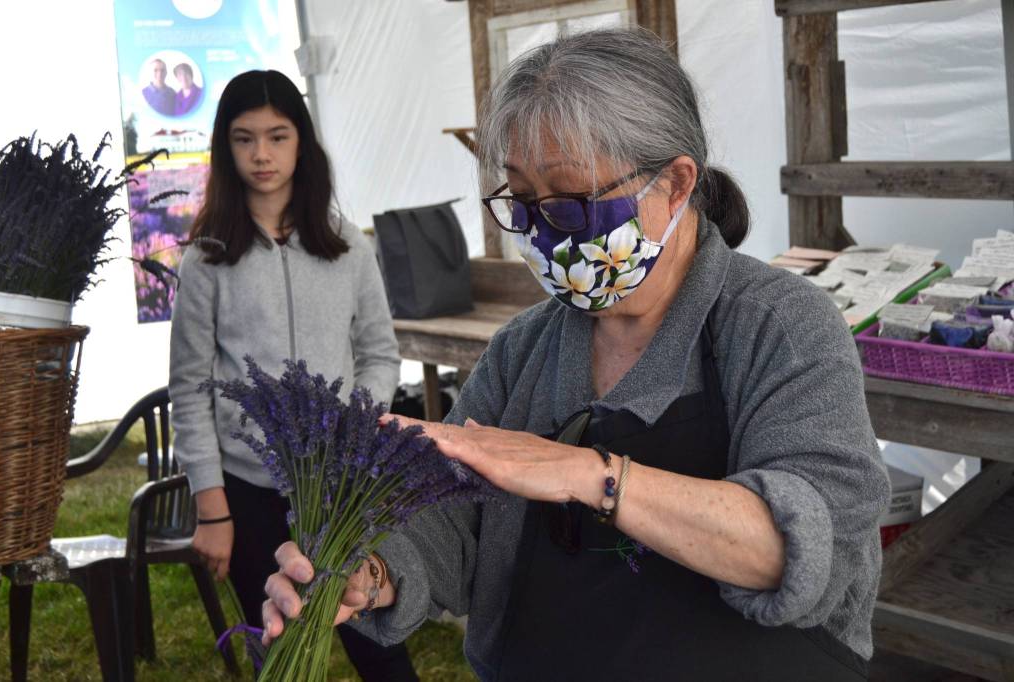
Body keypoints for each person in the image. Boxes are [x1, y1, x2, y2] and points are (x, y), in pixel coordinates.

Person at [263, 29, 891, 681]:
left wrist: (592, 474)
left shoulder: (779, 324)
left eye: (569, 205)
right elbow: (452, 520)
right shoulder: (523, 349)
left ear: (675, 184)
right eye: (523, 204)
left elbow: (806, 544)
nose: (541, 235)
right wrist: (374, 571)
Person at [168, 69, 418, 680]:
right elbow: (191, 387)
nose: (261, 155)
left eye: (277, 136)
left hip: (338, 486)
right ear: (225, 149)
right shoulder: (206, 261)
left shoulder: (348, 249)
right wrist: (212, 509)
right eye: (244, 138)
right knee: (278, 653)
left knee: (376, 645)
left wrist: (353, 435)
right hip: (248, 490)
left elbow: (380, 354)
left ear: (302, 142)